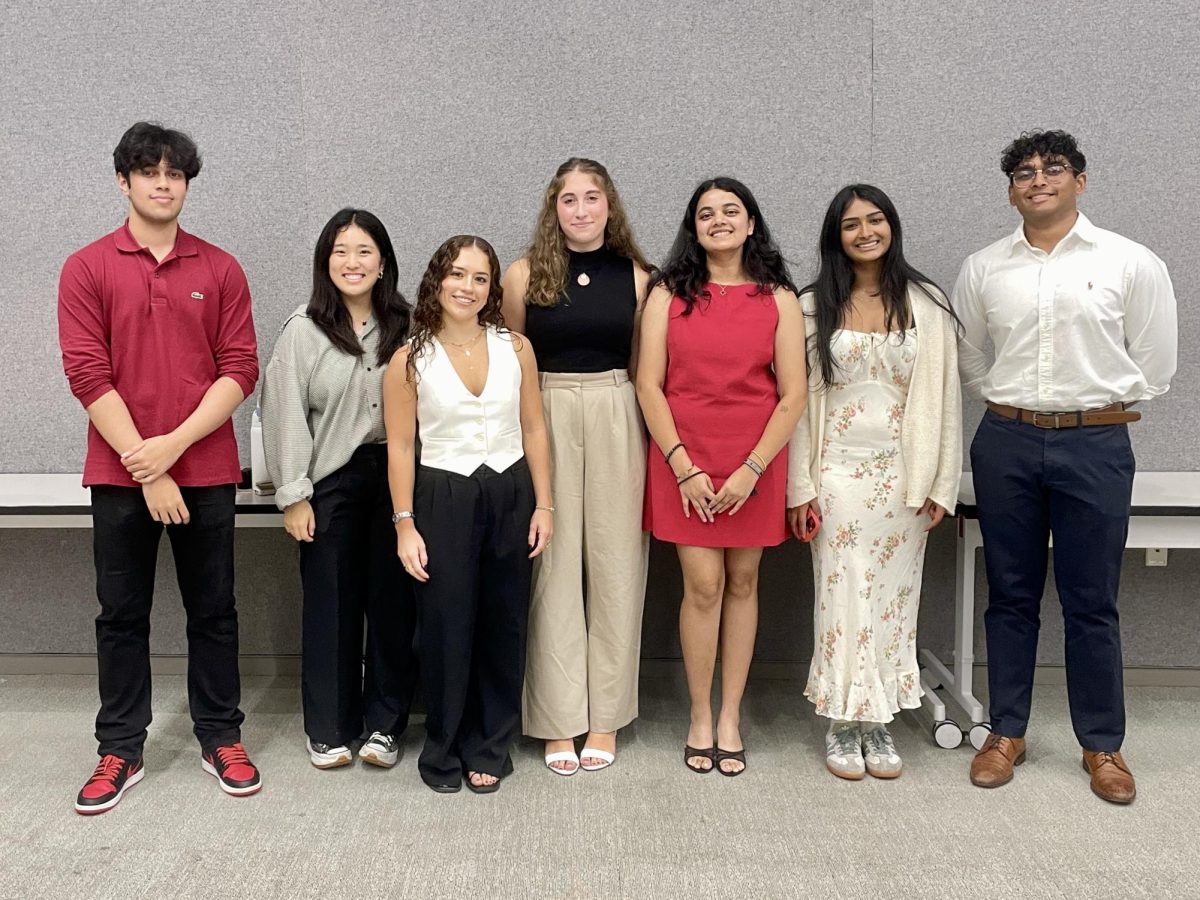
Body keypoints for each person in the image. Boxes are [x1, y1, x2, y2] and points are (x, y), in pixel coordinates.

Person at [953, 130, 1177, 804]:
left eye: (1053, 168)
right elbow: (969, 355)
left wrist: (1089, 407)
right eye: (1024, 171)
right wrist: (1017, 405)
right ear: (1011, 189)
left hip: (1096, 444)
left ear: (1082, 180)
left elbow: (1155, 362)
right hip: (1008, 441)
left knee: (1092, 601)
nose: (1038, 179)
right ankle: (1007, 733)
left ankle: (1102, 746)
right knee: (1011, 594)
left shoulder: (1130, 262)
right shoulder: (985, 267)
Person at [58, 122, 262, 814]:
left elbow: (240, 368)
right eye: (149, 172)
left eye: (175, 174)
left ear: (187, 184)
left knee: (214, 611)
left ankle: (220, 736)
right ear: (124, 181)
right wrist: (148, 468)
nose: (163, 183)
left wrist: (172, 449)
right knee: (121, 614)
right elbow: (86, 372)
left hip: (204, 471)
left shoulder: (221, 268)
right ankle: (120, 747)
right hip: (120, 474)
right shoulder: (87, 267)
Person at [786, 184, 962, 780]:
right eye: (851, 224)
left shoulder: (928, 304)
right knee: (842, 595)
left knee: (893, 601)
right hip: (834, 475)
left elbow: (944, 401)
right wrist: (799, 487)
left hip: (900, 478)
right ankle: (843, 720)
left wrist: (941, 483)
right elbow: (797, 406)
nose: (866, 232)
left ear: (892, 226)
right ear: (835, 236)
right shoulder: (811, 307)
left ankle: (880, 721)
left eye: (876, 220)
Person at [637, 177, 806, 776]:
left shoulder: (779, 298)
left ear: (752, 223)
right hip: (683, 457)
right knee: (702, 586)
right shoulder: (665, 295)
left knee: (742, 582)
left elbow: (793, 394)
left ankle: (730, 715)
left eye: (731, 211)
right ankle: (699, 716)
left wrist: (753, 470)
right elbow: (648, 385)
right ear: (694, 226)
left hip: (755, 459)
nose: (719, 221)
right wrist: (683, 467)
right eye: (706, 213)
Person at [384, 235, 554, 794]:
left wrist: (544, 503)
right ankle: (444, 748)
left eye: (480, 279)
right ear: (437, 279)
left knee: (504, 623)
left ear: (492, 288)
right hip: (442, 495)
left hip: (510, 490)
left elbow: (534, 429)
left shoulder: (517, 348)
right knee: (445, 626)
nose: (468, 287)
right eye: (458, 275)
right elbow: (402, 447)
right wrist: (404, 523)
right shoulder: (409, 358)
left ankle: (491, 743)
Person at [501, 158, 652, 776]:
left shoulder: (639, 279)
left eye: (593, 198)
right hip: (547, 412)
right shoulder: (522, 275)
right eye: (570, 199)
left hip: (618, 408)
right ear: (553, 208)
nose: (582, 209)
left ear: (609, 205)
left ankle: (606, 717)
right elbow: (512, 359)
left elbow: (647, 366)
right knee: (553, 567)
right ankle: (558, 718)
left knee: (618, 567)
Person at [261, 209, 417, 770]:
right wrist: (295, 493)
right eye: (340, 251)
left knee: (394, 604)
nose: (352, 262)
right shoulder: (303, 329)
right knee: (331, 603)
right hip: (329, 481)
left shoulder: (407, 325)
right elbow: (283, 413)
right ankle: (329, 726)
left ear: (383, 264)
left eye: (364, 251)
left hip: (399, 480)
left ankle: (384, 725)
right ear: (326, 262)